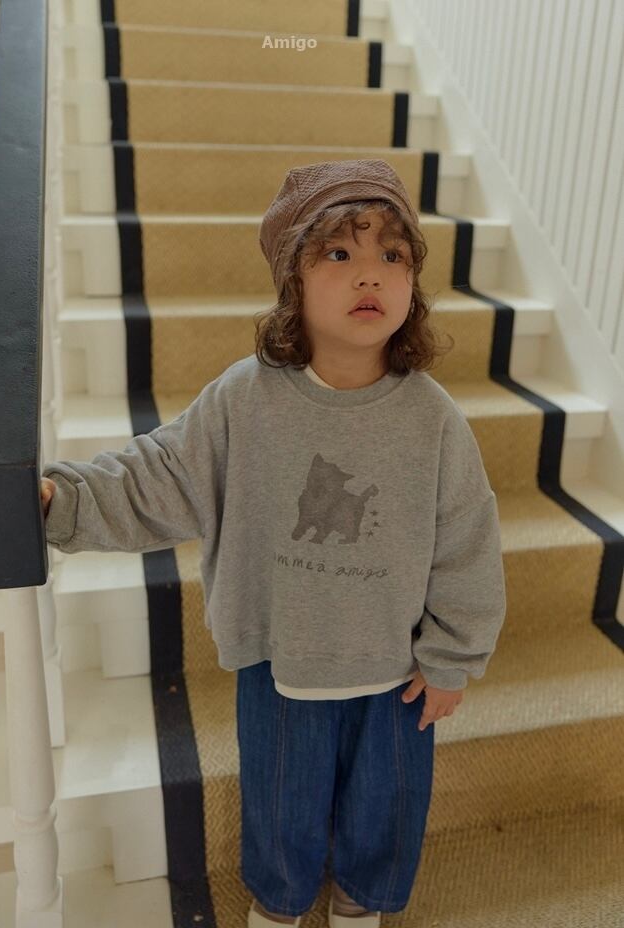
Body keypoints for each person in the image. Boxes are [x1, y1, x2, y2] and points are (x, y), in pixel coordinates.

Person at [40, 159, 507, 928]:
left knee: (386, 805)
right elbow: (161, 475)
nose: (370, 274)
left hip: (395, 668)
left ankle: (361, 904)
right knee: (281, 801)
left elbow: (466, 541)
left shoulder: (431, 419)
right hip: (279, 657)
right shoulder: (244, 398)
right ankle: (281, 902)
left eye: (391, 255)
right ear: (293, 280)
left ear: (411, 285)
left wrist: (452, 656)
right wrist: (66, 499)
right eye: (339, 253)